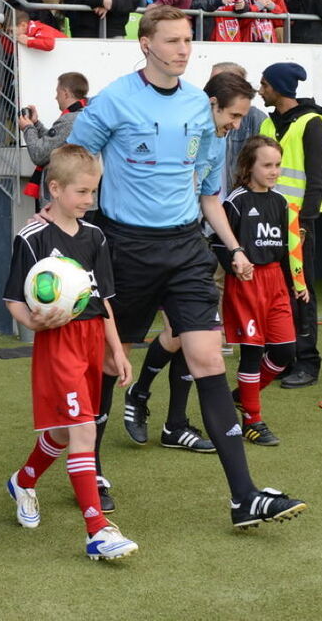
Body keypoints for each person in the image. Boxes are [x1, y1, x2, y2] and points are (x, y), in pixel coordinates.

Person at [68, 5, 307, 528]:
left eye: (187, 41)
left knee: (207, 360)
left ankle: (243, 496)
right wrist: (68, 229)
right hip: (125, 247)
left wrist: (232, 247)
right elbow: (72, 164)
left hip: (184, 249)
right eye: (172, 40)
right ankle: (92, 469)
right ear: (146, 44)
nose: (182, 49)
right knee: (111, 362)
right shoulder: (113, 101)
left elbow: (206, 190)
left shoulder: (202, 111)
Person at [3, 145, 137, 559]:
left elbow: (105, 301)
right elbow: (12, 299)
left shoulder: (96, 237)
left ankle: (24, 480)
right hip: (58, 343)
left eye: (93, 192)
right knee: (83, 430)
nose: (89, 201)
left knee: (65, 429)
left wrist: (117, 350)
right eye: (82, 192)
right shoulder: (32, 237)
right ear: (55, 188)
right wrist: (34, 322)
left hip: (93, 339)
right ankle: (98, 529)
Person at [122, 70, 254, 453]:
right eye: (234, 115)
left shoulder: (216, 142)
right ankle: (141, 395)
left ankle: (173, 424)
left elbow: (209, 199)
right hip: (145, 247)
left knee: (193, 335)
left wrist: (235, 249)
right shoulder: (177, 129)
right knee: (181, 335)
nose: (237, 124)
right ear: (211, 104)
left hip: (189, 247)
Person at [213, 135, 308, 446]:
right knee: (252, 353)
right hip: (246, 284)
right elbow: (219, 244)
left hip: (276, 283)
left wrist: (296, 282)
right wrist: (235, 264)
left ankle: (241, 396)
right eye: (267, 165)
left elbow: (287, 249)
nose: (274, 171)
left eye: (278, 165)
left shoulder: (281, 202)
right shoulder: (236, 202)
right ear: (248, 166)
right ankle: (252, 420)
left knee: (284, 351)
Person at [258, 63, 322, 389]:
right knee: (279, 293)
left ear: (279, 88)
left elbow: (317, 180)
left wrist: (303, 224)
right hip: (271, 222)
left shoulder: (312, 123)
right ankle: (285, 358)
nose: (261, 90)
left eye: (264, 85)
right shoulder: (270, 124)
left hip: (299, 224)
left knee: (302, 292)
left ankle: (308, 362)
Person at [19, 72, 90, 208]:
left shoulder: (70, 121)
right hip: (78, 199)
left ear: (65, 93)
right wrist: (36, 124)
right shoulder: (85, 115)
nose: (55, 97)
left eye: (57, 93)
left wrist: (28, 128)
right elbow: (55, 143)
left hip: (64, 204)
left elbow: (40, 154)